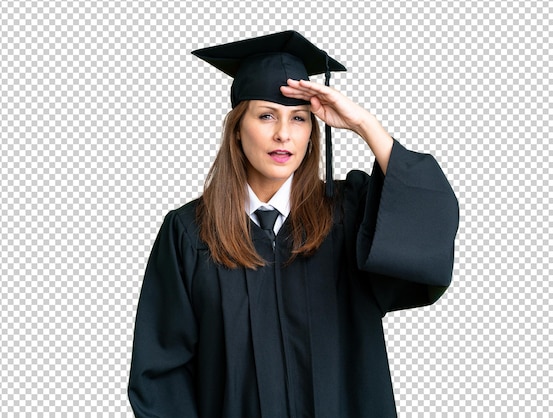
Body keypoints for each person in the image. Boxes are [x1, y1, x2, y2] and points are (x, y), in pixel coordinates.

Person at [128, 30, 459, 418]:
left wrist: (364, 124)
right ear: (237, 128)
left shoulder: (348, 214)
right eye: (266, 115)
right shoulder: (190, 233)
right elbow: (162, 374)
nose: (283, 133)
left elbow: (428, 223)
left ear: (311, 132)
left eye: (298, 119)